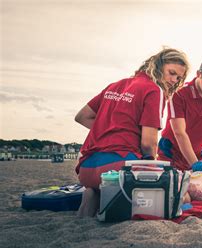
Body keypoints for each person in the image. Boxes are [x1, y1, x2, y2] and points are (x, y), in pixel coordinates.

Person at [74, 48, 190, 217]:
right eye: (171, 73)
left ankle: (95, 194)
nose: (174, 80)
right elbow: (148, 144)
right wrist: (152, 167)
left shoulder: (115, 85)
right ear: (157, 66)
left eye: (179, 78)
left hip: (86, 170)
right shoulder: (154, 90)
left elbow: (83, 116)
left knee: (108, 185)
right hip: (118, 170)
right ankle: (104, 194)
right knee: (182, 195)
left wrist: (109, 131)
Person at [158, 57, 202, 176]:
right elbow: (179, 132)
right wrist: (195, 164)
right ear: (199, 74)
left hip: (198, 152)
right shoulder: (178, 93)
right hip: (171, 151)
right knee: (173, 187)